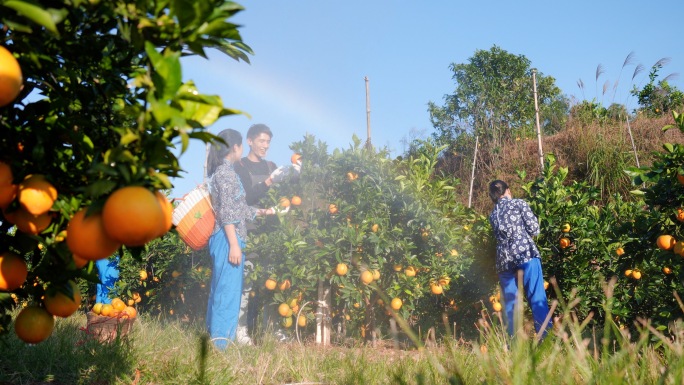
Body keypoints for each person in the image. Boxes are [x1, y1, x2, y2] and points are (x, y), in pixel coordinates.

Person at [206, 128, 274, 349]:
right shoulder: (226, 174)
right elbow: (226, 212)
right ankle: (221, 345)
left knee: (222, 290)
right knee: (227, 293)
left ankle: (216, 340)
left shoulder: (225, 172)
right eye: (241, 146)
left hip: (230, 237)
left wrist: (266, 212)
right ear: (235, 147)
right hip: (228, 239)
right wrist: (234, 244)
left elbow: (240, 207)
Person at [234, 123, 297, 341]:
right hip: (250, 233)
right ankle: (240, 330)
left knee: (271, 282)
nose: (265, 146)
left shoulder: (271, 165)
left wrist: (295, 173)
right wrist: (270, 181)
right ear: (249, 141)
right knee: (246, 283)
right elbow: (247, 198)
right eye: (261, 141)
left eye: (268, 142)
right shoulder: (240, 166)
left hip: (271, 234)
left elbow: (285, 193)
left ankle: (271, 330)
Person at [488, 180, 551, 339]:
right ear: (508, 190)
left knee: (510, 305)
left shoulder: (493, 214)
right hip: (525, 254)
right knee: (536, 297)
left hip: (504, 260)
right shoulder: (518, 203)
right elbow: (535, 229)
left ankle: (513, 345)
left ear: (493, 197)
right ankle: (546, 339)